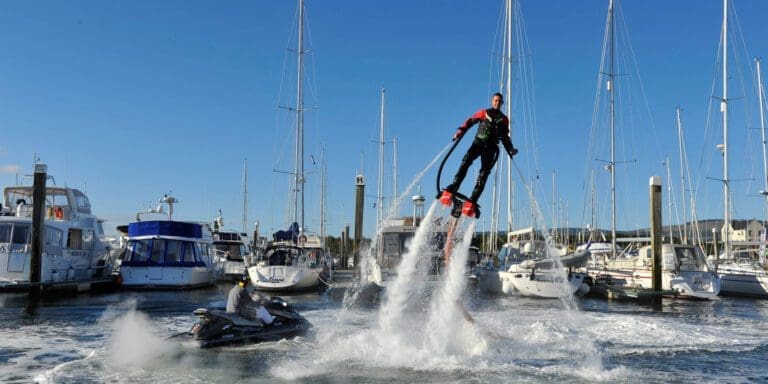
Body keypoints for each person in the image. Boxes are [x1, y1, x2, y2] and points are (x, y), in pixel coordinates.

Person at [440, 92, 518, 217]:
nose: (497, 103)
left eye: (499, 101)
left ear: (502, 103)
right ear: (492, 101)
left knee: (484, 174)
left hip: (491, 148)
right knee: (465, 161)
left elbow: (505, 137)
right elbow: (470, 121)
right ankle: (455, 185)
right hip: (478, 143)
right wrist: (460, 131)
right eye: (495, 100)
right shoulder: (483, 113)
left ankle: (474, 198)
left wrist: (511, 149)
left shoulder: (504, 120)